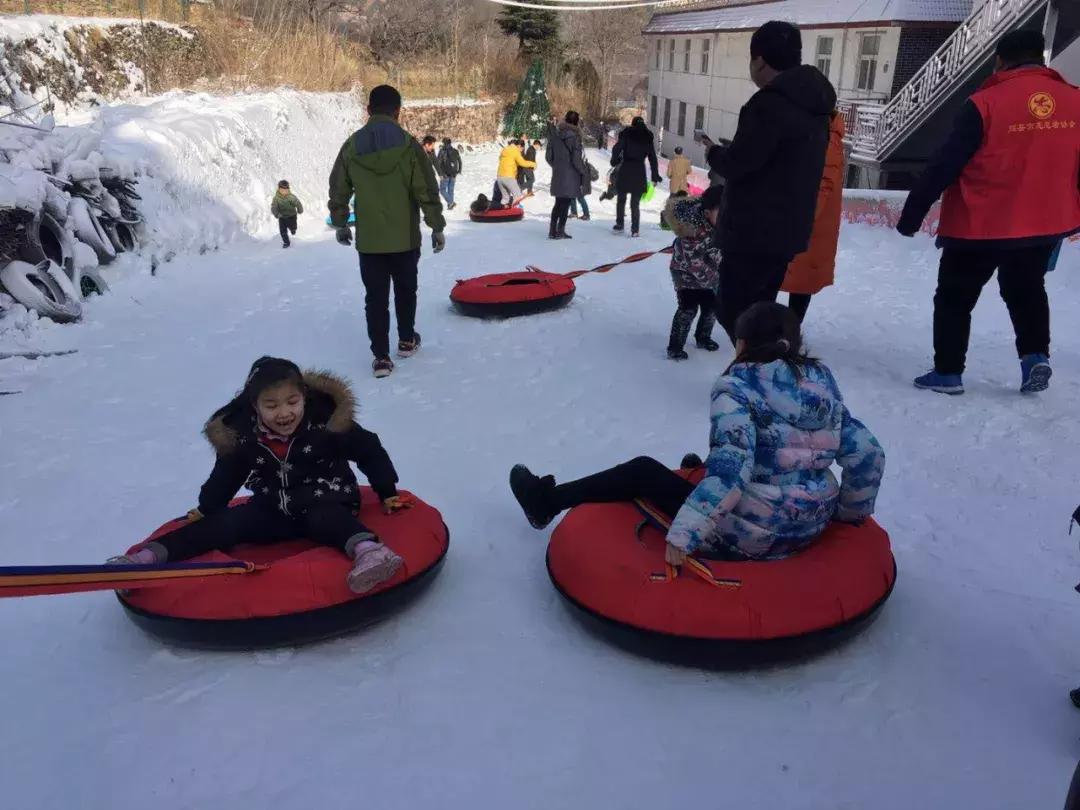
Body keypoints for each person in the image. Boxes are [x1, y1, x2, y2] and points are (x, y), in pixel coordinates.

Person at [509, 302, 885, 562]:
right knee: (729, 457)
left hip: (749, 537)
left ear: (742, 344)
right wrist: (847, 514)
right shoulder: (822, 387)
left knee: (642, 470)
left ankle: (545, 503)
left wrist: (686, 534)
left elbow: (732, 472)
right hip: (811, 523)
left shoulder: (738, 388)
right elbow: (868, 453)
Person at [107, 357, 409, 594]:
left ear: (304, 397)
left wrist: (386, 491)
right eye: (271, 405)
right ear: (255, 406)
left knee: (328, 518)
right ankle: (146, 560)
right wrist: (207, 508)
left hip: (327, 498)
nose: (284, 413)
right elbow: (227, 475)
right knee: (226, 523)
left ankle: (370, 553)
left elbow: (369, 449)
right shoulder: (246, 437)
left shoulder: (327, 424)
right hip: (272, 507)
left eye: (292, 402)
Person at [897, 30, 1080, 395]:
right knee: (1027, 289)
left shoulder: (984, 104)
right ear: (1041, 58)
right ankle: (1034, 357)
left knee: (955, 297)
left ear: (1000, 60)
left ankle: (948, 372)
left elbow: (945, 163)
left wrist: (913, 213)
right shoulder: (1074, 100)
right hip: (1044, 222)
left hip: (979, 223)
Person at [698, 21, 836, 343]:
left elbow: (739, 163)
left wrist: (714, 153)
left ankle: (758, 365)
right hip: (786, 232)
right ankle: (764, 362)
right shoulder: (816, 106)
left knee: (735, 313)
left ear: (759, 60)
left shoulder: (768, 105)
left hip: (752, 232)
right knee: (760, 310)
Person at [328, 85, 446, 379]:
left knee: (375, 298)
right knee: (406, 290)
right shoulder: (409, 145)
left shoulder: (352, 146)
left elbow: (339, 188)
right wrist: (436, 226)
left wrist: (340, 222)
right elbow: (426, 188)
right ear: (397, 111)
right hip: (405, 239)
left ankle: (381, 357)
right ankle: (406, 340)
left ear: (368, 110)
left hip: (370, 242)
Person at [781, 110, 846, 323]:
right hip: (807, 224)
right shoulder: (819, 134)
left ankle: (788, 333)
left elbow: (821, 187)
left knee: (800, 282)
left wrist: (799, 220)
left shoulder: (827, 140)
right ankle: (786, 331)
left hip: (809, 226)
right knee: (798, 282)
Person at [665, 186, 724, 359]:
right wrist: (713, 279)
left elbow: (719, 252)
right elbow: (694, 264)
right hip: (685, 274)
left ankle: (703, 337)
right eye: (721, 213)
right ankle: (675, 347)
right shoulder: (691, 231)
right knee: (688, 308)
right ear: (707, 213)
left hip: (710, 274)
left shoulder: (720, 227)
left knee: (711, 306)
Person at [611, 116, 661, 236]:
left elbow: (617, 148)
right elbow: (653, 158)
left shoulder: (627, 134)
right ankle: (635, 230)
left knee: (621, 199)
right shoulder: (647, 138)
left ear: (633, 124)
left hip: (626, 168)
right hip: (639, 171)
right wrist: (655, 176)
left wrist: (614, 160)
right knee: (635, 203)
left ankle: (619, 224)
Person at [545, 111, 588, 240]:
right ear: (576, 122)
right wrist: (583, 171)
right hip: (571, 175)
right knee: (565, 203)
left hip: (558, 174)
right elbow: (576, 159)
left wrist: (557, 166)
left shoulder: (555, 135)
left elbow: (548, 157)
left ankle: (552, 231)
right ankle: (560, 231)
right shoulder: (575, 137)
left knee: (558, 203)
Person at [497, 139, 535, 209]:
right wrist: (533, 164)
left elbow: (501, 159)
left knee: (505, 198)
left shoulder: (505, 149)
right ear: (519, 146)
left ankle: (501, 210)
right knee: (517, 194)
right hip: (508, 176)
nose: (521, 151)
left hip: (499, 177)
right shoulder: (515, 151)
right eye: (522, 149)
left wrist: (514, 164)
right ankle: (516, 210)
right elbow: (523, 163)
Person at [270, 180, 303, 249]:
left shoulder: (291, 197)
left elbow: (297, 203)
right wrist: (277, 214)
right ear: (279, 189)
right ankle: (286, 242)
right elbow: (274, 207)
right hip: (282, 217)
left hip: (292, 216)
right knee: (282, 231)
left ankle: (293, 229)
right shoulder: (276, 199)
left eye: (286, 190)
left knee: (293, 226)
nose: (284, 192)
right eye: (282, 190)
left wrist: (300, 209)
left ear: (288, 189)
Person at [435, 137, 462, 211]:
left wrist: (440, 173)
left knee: (442, 190)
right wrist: (459, 170)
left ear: (444, 143)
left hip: (445, 174)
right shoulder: (455, 151)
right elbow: (459, 161)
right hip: (454, 173)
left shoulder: (442, 151)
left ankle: (451, 202)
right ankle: (450, 205)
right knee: (451, 190)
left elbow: (438, 162)